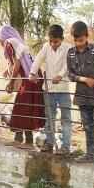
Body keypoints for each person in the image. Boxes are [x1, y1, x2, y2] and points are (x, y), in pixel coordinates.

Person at [67, 21, 94, 163]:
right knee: (88, 128)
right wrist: (85, 79)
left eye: (81, 40)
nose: (79, 43)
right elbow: (70, 75)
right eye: (75, 40)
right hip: (82, 97)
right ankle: (90, 156)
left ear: (87, 36)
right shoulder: (71, 53)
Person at [0, 26, 45, 149]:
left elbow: (17, 62)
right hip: (33, 77)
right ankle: (26, 141)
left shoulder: (9, 43)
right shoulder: (17, 42)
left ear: (4, 36)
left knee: (20, 108)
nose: (0, 43)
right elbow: (19, 62)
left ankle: (24, 141)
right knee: (25, 109)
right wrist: (7, 72)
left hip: (29, 79)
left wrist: (11, 82)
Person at [29, 25, 72, 155]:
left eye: (56, 41)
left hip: (63, 89)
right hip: (48, 89)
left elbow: (68, 65)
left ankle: (65, 146)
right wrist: (32, 72)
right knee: (49, 118)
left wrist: (60, 75)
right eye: (51, 41)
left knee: (66, 118)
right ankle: (49, 143)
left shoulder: (68, 48)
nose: (53, 44)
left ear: (62, 39)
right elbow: (38, 59)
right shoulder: (46, 47)